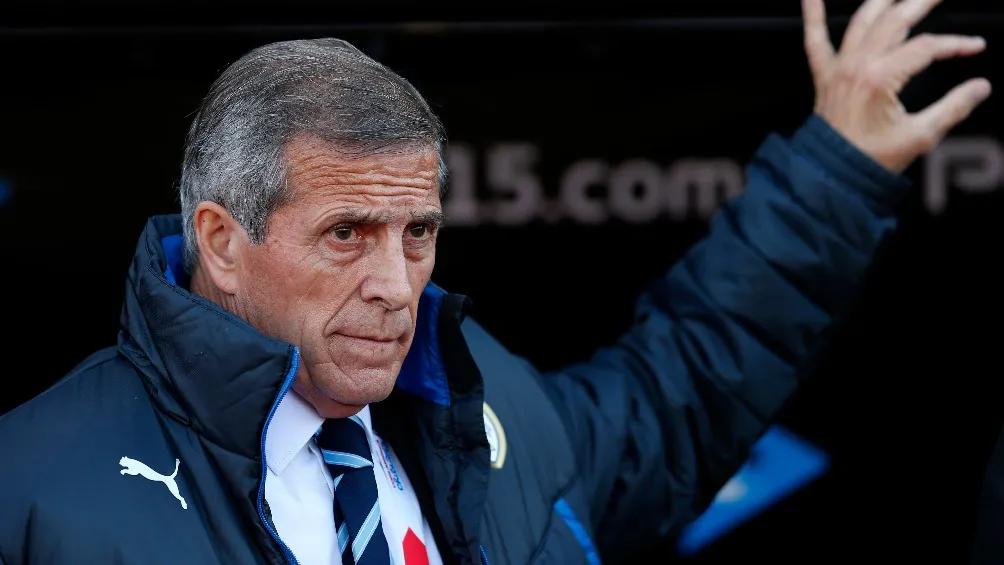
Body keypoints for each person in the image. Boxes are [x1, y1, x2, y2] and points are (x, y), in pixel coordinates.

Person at [0, 0, 991, 563]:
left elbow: (674, 391)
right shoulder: (33, 487)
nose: (396, 283)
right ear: (221, 239)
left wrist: (832, 170)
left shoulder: (479, 403)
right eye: (347, 232)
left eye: (418, 232)